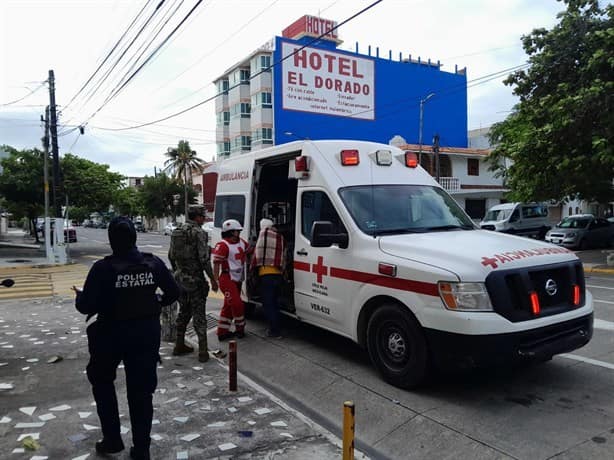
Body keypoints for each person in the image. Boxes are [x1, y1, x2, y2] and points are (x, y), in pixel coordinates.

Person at [73, 216, 180, 460]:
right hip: (145, 334)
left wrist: (80, 296)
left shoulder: (102, 269)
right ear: (134, 238)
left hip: (110, 334)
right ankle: (141, 449)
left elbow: (86, 305)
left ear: (111, 241)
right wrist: (155, 302)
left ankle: (112, 439)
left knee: (102, 383)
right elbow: (173, 292)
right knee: (141, 393)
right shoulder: (152, 264)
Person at [168, 205, 219, 362]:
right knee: (199, 314)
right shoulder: (199, 233)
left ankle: (179, 344)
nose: (204, 219)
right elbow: (204, 260)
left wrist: (179, 271)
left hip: (180, 278)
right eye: (203, 216)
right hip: (195, 280)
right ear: (197, 217)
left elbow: (171, 255)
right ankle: (203, 351)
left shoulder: (177, 231)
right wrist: (212, 278)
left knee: (184, 311)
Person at [213, 219, 249, 340]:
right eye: (236, 231)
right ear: (231, 232)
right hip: (226, 278)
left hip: (237, 278)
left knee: (228, 306)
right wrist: (215, 281)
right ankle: (240, 329)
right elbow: (216, 264)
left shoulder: (242, 243)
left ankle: (222, 332)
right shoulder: (223, 245)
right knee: (237, 304)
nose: (238, 233)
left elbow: (250, 251)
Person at [252, 218, 286, 338]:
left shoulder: (263, 234)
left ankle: (274, 331)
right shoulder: (279, 237)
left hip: (266, 275)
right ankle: (277, 327)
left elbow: (257, 254)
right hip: (278, 275)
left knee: (268, 304)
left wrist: (253, 269)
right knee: (275, 303)